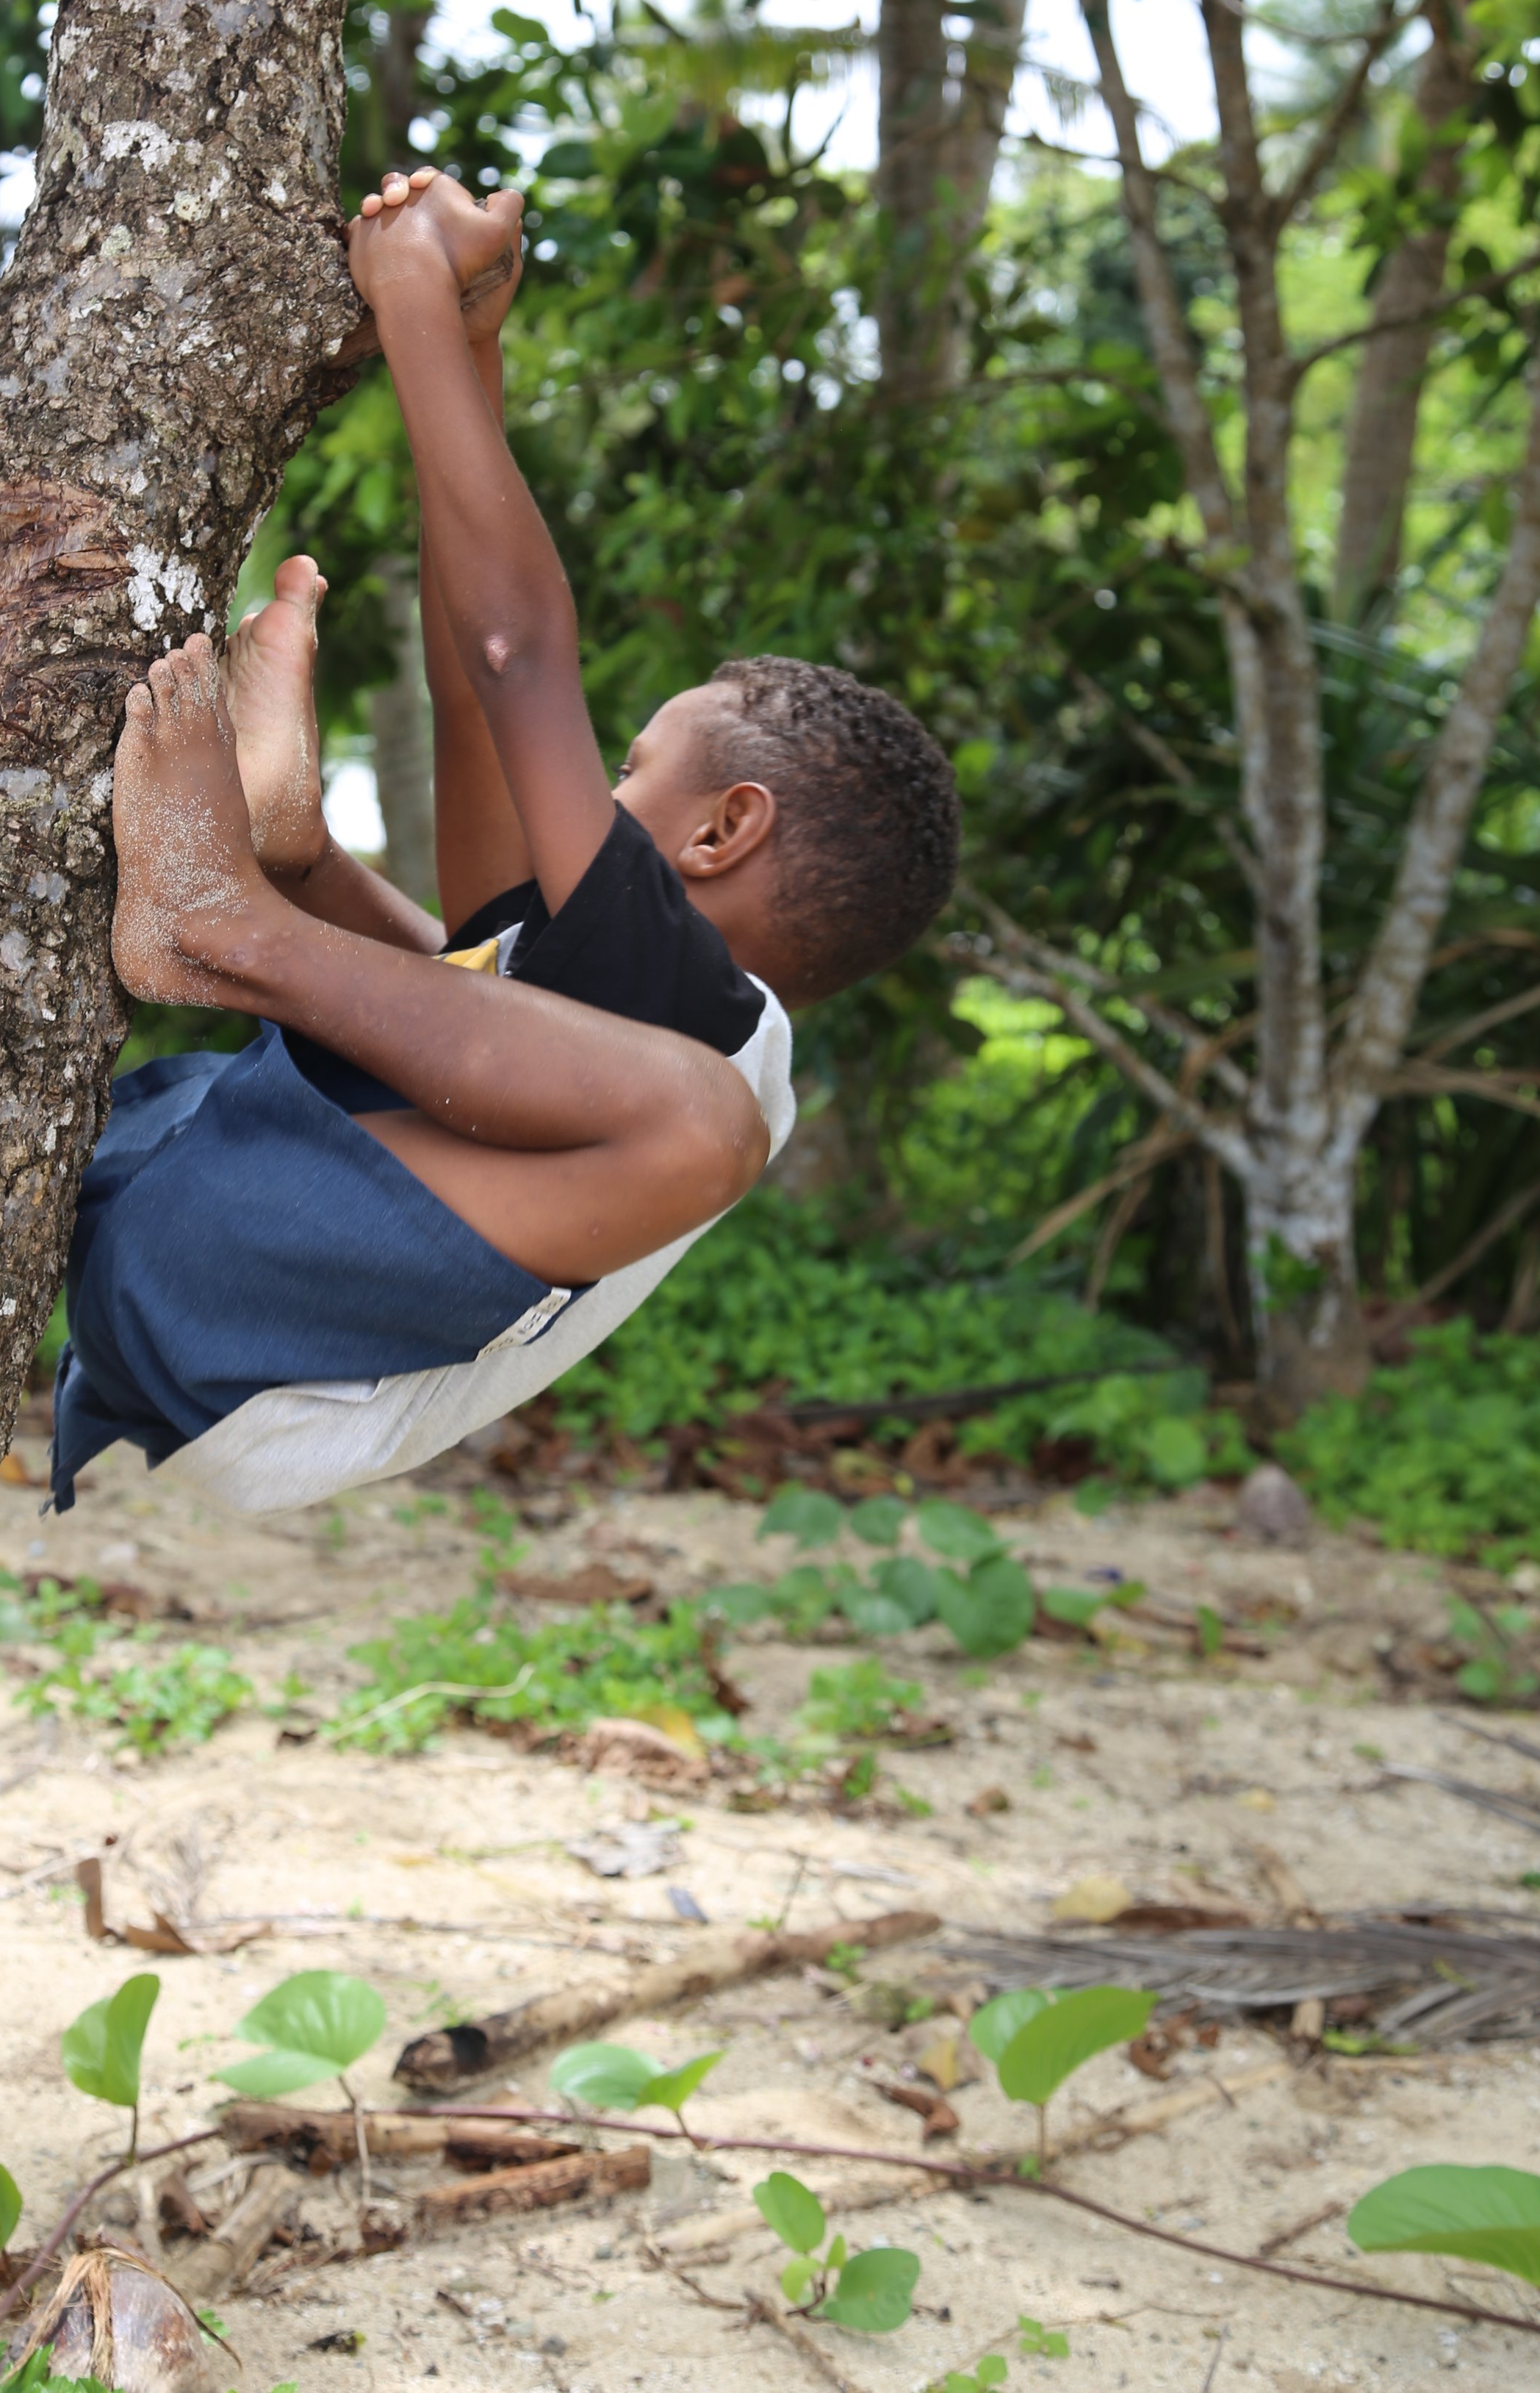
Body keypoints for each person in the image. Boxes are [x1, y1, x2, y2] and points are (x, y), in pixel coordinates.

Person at [50, 168, 959, 1514]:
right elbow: (477, 698)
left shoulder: (713, 1037)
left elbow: (519, 653)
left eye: (639, 767)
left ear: (723, 831)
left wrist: (413, 297)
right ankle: (292, 863)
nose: (603, 789)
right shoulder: (612, 992)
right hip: (197, 1253)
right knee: (479, 970)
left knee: (704, 1127)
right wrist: (472, 336)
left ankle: (222, 918)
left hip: (248, 1348)